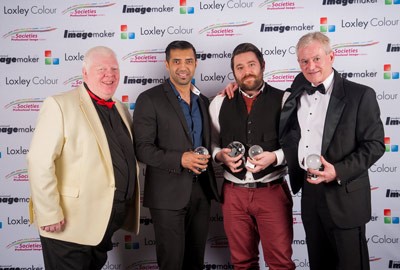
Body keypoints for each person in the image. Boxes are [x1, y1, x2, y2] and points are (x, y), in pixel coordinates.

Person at [27, 46, 140, 270]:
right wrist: (49, 213)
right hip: (69, 226)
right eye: (101, 69)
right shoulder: (60, 104)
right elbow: (39, 162)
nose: (110, 74)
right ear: (85, 73)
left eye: (114, 69)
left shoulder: (120, 108)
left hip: (103, 225)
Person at [279, 32, 385, 270]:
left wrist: (337, 171)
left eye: (316, 59)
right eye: (304, 61)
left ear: (332, 56)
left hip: (345, 195)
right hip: (310, 195)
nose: (311, 66)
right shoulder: (296, 92)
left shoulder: (360, 95)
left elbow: (375, 145)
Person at [132, 40, 221, 270]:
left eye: (189, 61)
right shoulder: (149, 99)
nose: (183, 67)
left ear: (196, 64)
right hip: (167, 196)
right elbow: (142, 148)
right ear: (167, 64)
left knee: (195, 262)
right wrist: (180, 159)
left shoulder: (203, 100)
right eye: (177, 61)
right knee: (172, 262)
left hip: (201, 192)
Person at [209, 42, 296, 270]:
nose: (246, 71)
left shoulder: (285, 100)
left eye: (251, 64)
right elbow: (210, 143)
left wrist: (275, 157)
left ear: (262, 66)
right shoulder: (219, 102)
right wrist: (220, 157)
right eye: (239, 67)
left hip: (272, 192)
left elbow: (298, 145)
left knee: (280, 263)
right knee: (242, 263)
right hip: (233, 195)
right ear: (234, 72)